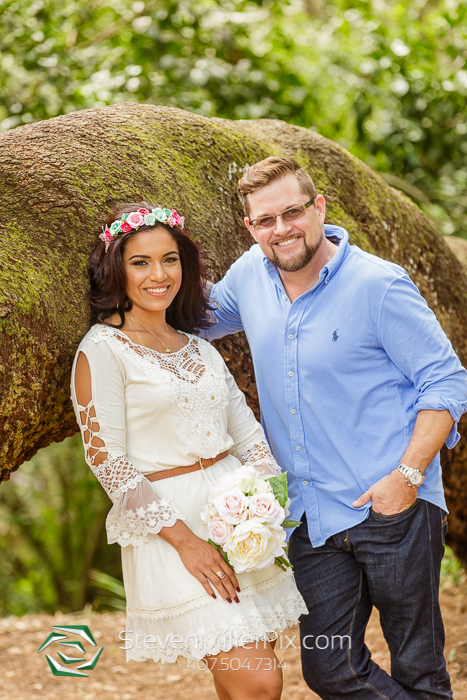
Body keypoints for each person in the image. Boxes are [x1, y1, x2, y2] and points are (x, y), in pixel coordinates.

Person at [202, 156, 467, 699]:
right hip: (310, 517)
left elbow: (446, 382)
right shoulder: (249, 275)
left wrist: (407, 477)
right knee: (331, 669)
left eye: (292, 212)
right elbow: (194, 318)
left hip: (394, 507)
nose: (282, 229)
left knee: (419, 667)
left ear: (318, 207)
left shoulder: (378, 284)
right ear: (250, 228)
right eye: (265, 220)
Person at [70, 202, 307, 700]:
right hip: (170, 530)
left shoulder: (199, 347)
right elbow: (106, 460)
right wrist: (185, 542)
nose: (159, 274)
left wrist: (261, 509)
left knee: (242, 684)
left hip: (240, 521)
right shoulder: (101, 349)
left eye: (170, 259)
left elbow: (246, 434)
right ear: (116, 268)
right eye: (141, 262)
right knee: (259, 682)